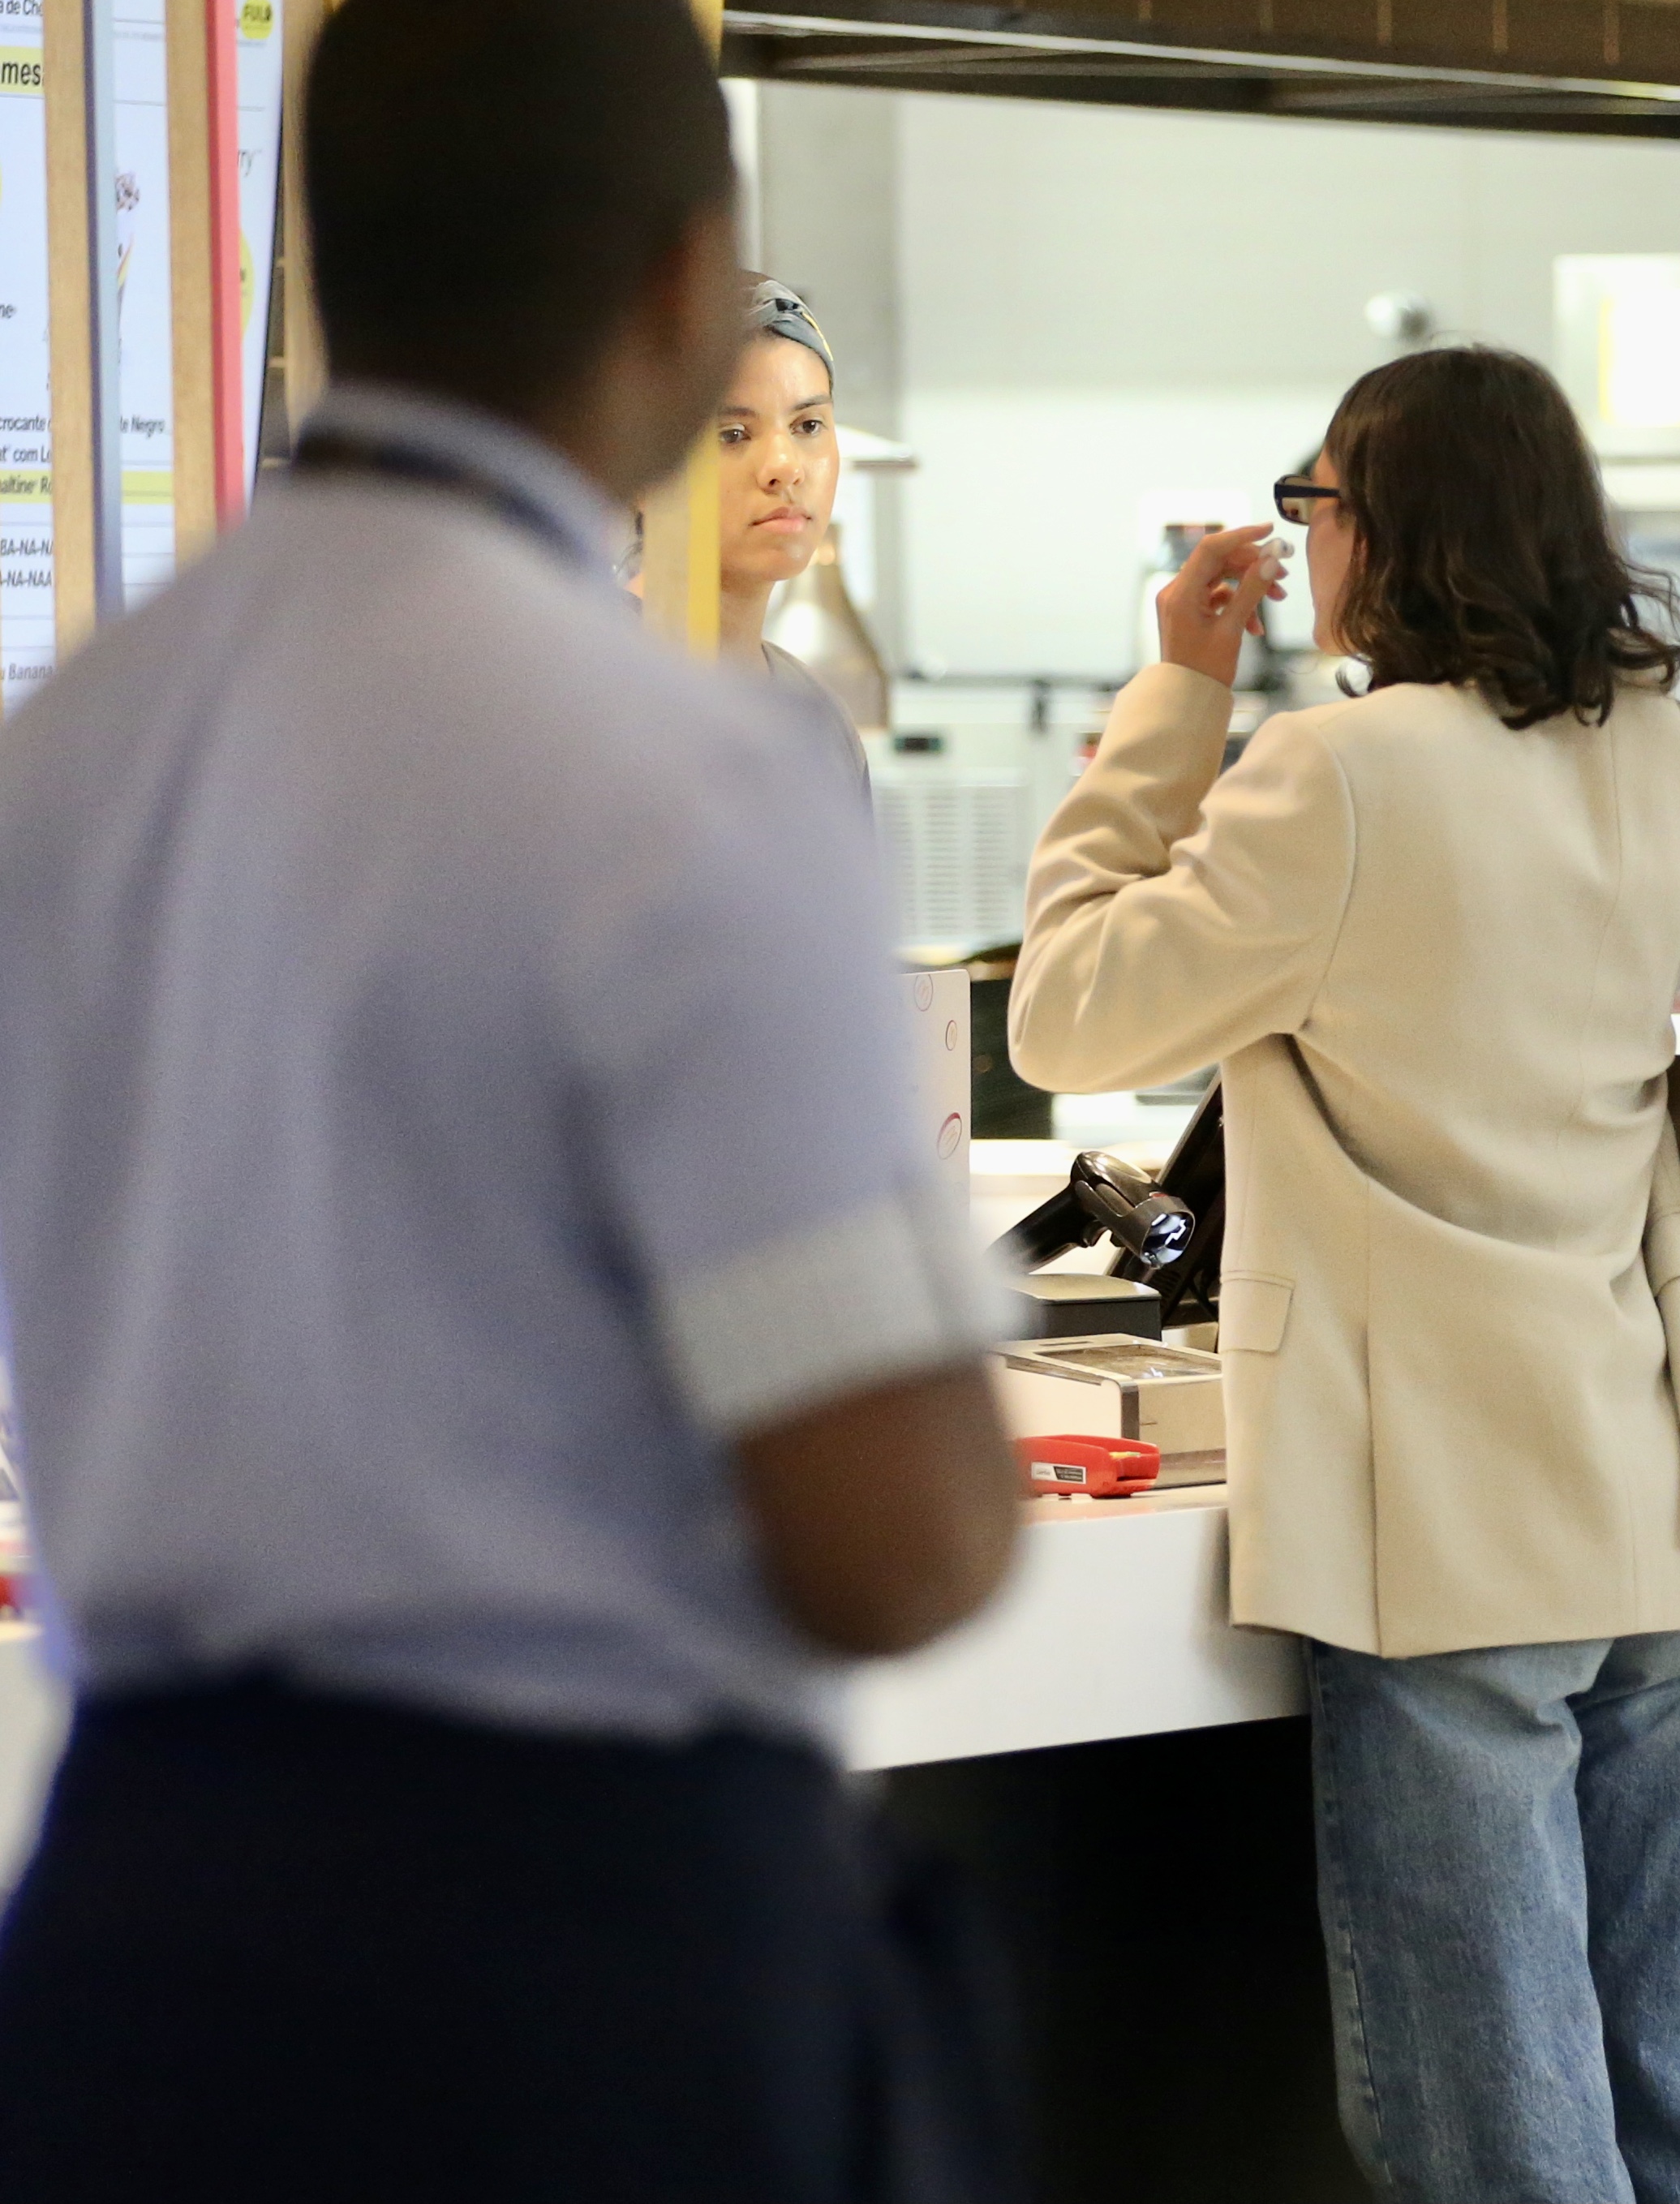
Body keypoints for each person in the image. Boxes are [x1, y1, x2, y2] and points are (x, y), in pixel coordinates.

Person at [0, 3, 1020, 2197]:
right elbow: (894, 1529)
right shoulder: (681, 779)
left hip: (126, 1927)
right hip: (565, 1948)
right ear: (679, 283)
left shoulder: (65, 748)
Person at [1008, 346, 1680, 2203]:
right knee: (1674, 2044)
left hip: (1442, 1505)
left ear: (1391, 526)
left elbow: (1066, 1009)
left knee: (1490, 2098)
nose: (1303, 537)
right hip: (1661, 1477)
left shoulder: (1339, 771)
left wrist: (1179, 695)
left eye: (1315, 501)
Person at [714, 273, 870, 794]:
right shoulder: (584, 694)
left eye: (808, 427)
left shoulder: (819, 725)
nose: (783, 466)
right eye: (732, 435)